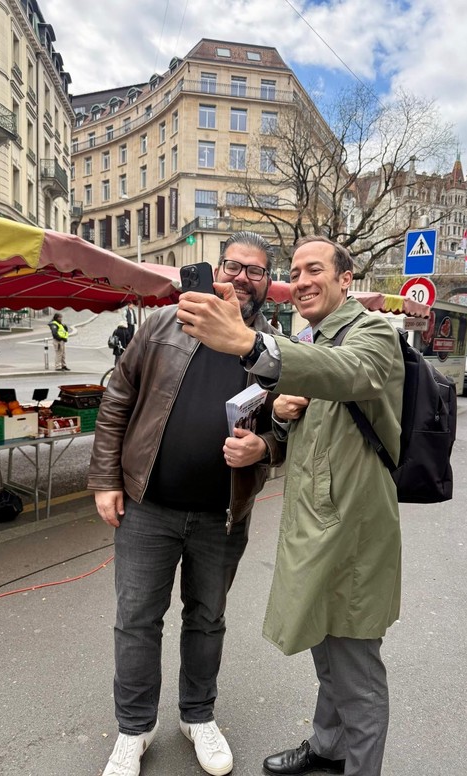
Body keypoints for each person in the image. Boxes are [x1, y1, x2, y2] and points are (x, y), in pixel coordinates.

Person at [177, 235, 405, 776]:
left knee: (356, 670)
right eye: (296, 271)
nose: (301, 280)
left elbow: (353, 374)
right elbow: (311, 436)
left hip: (352, 530)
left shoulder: (371, 330)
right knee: (324, 646)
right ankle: (328, 745)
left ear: (346, 280)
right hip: (313, 526)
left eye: (315, 269)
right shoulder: (311, 337)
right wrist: (278, 420)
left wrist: (251, 346)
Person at [88, 231, 284, 776]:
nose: (243, 277)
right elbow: (117, 402)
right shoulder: (162, 325)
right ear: (216, 269)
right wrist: (106, 479)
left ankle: (198, 716)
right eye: (234, 266)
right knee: (136, 620)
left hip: (222, 516)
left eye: (257, 271)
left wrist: (264, 447)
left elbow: (289, 429)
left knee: (207, 617)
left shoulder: (272, 350)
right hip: (148, 507)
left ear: (269, 284)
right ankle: (134, 729)